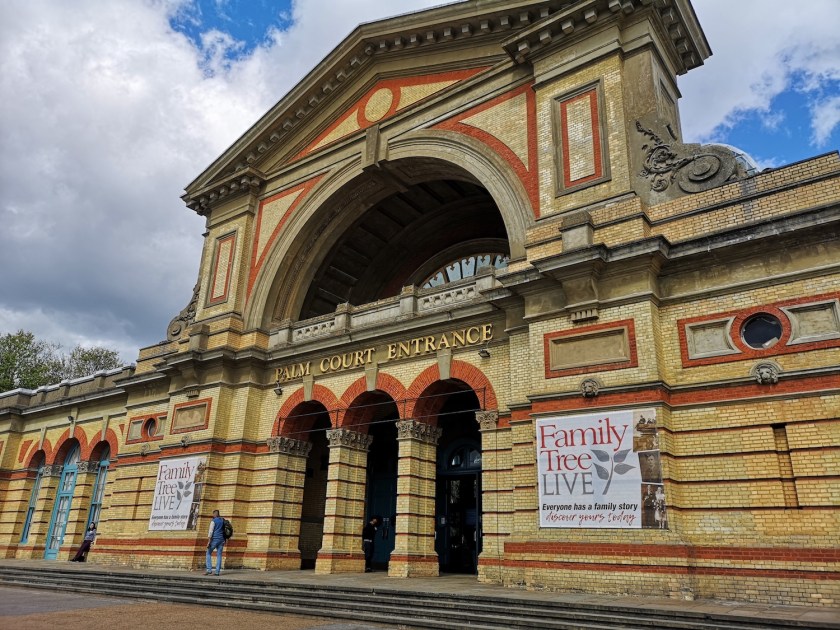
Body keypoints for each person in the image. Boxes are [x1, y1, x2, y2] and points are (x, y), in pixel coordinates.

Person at [205, 509, 225, 575]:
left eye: (213, 514)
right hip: (221, 540)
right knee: (219, 555)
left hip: (214, 540)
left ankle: (209, 570)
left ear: (214, 514)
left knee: (208, 553)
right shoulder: (222, 520)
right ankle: (217, 572)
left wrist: (209, 542)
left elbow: (210, 532)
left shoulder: (213, 521)